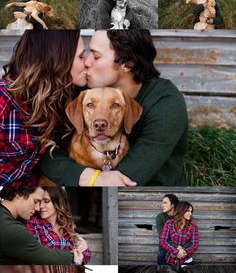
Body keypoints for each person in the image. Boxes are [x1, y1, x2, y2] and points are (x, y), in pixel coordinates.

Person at [39, 28, 188, 188]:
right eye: (88, 54)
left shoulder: (166, 104)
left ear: (127, 63)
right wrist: (84, 175)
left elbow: (127, 178)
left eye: (96, 56)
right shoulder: (86, 93)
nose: (87, 62)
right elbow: (44, 153)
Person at [0, 30, 134, 190]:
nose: (87, 63)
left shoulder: (58, 99)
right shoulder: (3, 99)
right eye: (80, 57)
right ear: (57, 60)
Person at [0, 184, 82, 264]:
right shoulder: (13, 229)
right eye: (36, 201)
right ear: (18, 193)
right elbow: (45, 256)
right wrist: (74, 254)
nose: (38, 208)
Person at [26, 185, 91, 262]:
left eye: (46, 201)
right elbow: (38, 259)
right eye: (39, 201)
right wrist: (75, 259)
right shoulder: (33, 223)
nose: (40, 206)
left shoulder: (66, 227)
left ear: (58, 203)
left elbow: (86, 255)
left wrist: (84, 248)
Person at [160, 201, 199, 266]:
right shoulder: (169, 223)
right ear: (181, 211)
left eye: (191, 212)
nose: (190, 213)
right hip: (171, 259)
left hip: (186, 260)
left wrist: (183, 253)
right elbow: (163, 241)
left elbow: (195, 244)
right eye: (188, 211)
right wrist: (176, 252)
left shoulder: (193, 227)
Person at [156, 193, 179, 265]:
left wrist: (179, 250)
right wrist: (175, 249)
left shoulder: (180, 217)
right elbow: (162, 237)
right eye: (163, 203)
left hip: (180, 251)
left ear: (172, 205)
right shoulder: (160, 217)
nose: (162, 205)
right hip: (164, 251)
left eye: (165, 203)